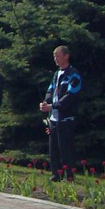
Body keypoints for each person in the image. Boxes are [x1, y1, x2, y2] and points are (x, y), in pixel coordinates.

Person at [40, 45, 82, 181]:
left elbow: (70, 96)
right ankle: (55, 173)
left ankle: (68, 175)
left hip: (66, 118)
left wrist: (53, 106)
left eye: (58, 56)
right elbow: (50, 90)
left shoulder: (73, 74)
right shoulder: (56, 74)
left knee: (66, 148)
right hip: (53, 119)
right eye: (54, 56)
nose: (55, 59)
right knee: (53, 149)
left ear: (66, 56)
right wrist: (45, 103)